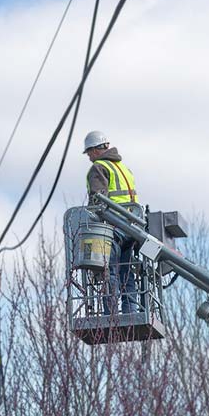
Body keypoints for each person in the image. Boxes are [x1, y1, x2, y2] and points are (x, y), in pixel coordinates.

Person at [83, 130, 141, 314]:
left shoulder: (99, 168)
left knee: (110, 270)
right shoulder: (124, 168)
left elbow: (98, 201)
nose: (89, 157)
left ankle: (111, 314)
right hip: (132, 227)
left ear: (95, 150)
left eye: (89, 153)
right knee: (126, 270)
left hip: (113, 226)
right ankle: (130, 311)